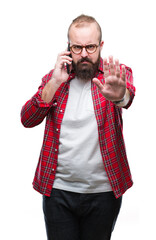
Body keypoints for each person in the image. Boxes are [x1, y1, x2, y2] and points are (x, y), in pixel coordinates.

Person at [21, 14, 136, 240]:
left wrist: (119, 96)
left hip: (103, 192)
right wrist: (54, 83)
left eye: (90, 47)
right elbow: (27, 119)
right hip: (58, 192)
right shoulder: (54, 79)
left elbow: (127, 96)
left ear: (101, 46)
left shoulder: (115, 74)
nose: (84, 54)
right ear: (68, 47)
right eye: (77, 47)